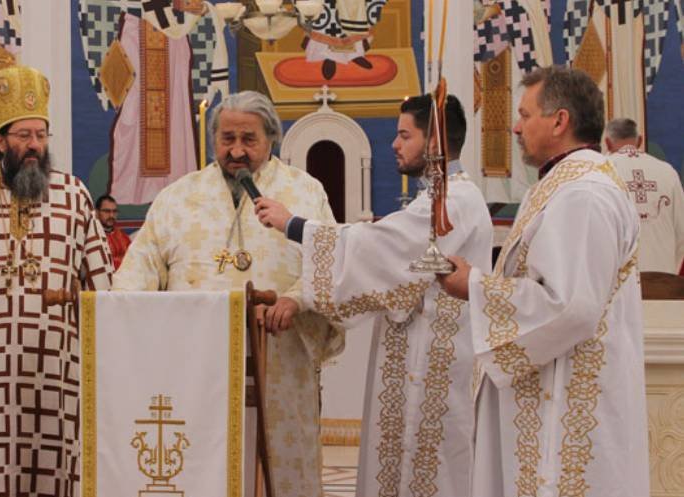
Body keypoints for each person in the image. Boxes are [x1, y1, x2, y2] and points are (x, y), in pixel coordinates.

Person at [255, 94, 493, 497]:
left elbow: (381, 247)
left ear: (435, 141)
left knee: (433, 473)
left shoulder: (453, 201)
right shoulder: (438, 197)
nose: (394, 145)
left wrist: (292, 224)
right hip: (418, 356)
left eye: (405, 135)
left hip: (435, 365)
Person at [113, 90, 342, 496]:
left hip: (280, 359)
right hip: (196, 366)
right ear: (213, 140)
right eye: (227, 139)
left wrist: (295, 298)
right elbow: (138, 270)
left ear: (271, 139)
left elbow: (330, 264)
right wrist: (123, 312)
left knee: (281, 470)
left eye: (248, 139)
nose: (236, 151)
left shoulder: (305, 192)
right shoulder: (178, 198)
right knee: (202, 468)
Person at [438, 66, 648, 497]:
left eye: (525, 114)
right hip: (552, 390)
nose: (516, 127)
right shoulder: (564, 187)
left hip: (567, 406)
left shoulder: (583, 195)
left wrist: (474, 286)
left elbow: (570, 305)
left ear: (559, 121)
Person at [0, 65, 114, 496]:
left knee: (58, 471)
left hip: (59, 368)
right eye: (23, 135)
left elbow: (105, 287)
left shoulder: (74, 195)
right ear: (0, 141)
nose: (34, 144)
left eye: (41, 134)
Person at [605, 117, 684, 273]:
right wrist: (669, 269)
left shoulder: (602, 171)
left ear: (607, 143)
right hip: (663, 277)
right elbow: (682, 231)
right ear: (640, 140)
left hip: (619, 280)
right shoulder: (667, 171)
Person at [96, 194, 131, 268]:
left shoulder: (123, 236)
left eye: (114, 211)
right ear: (96, 212)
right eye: (107, 211)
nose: (111, 215)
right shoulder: (92, 236)